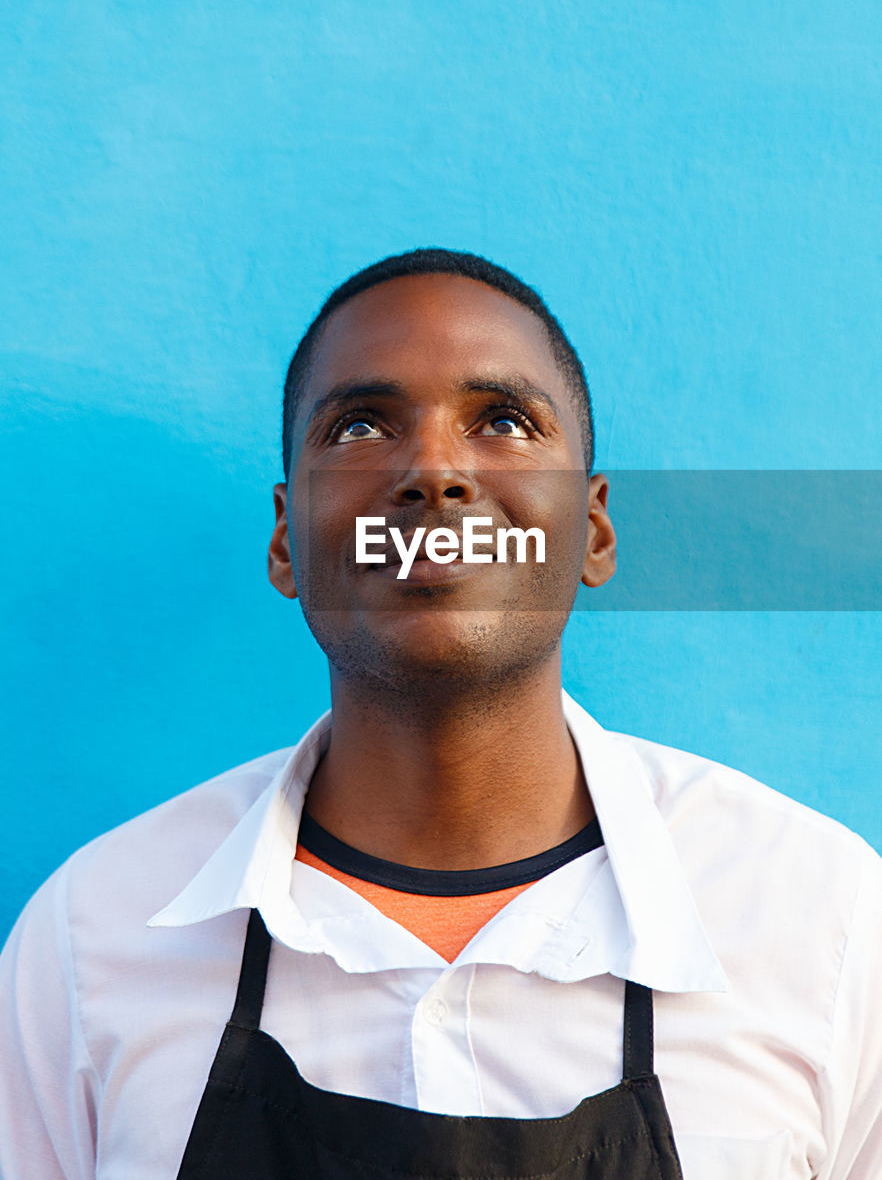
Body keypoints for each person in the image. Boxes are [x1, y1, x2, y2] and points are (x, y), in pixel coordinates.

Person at [1, 248, 880, 1180]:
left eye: (502, 420)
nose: (433, 471)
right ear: (285, 540)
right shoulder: (93, 938)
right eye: (359, 427)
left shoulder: (824, 923)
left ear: (593, 530)